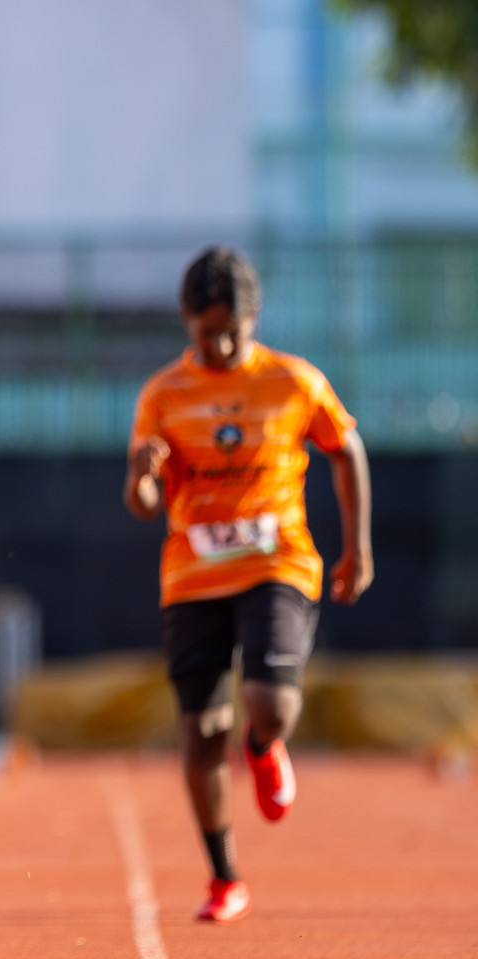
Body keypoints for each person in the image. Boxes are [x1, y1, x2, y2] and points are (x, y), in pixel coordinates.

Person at [123, 246, 373, 923]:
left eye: (233, 327)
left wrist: (358, 548)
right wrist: (143, 478)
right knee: (202, 730)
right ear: (187, 324)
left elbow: (346, 448)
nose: (222, 342)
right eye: (208, 332)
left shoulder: (294, 382)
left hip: (277, 564)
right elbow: (144, 504)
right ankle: (225, 876)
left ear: (253, 316)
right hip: (192, 574)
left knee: (269, 706)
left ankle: (264, 746)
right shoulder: (163, 395)